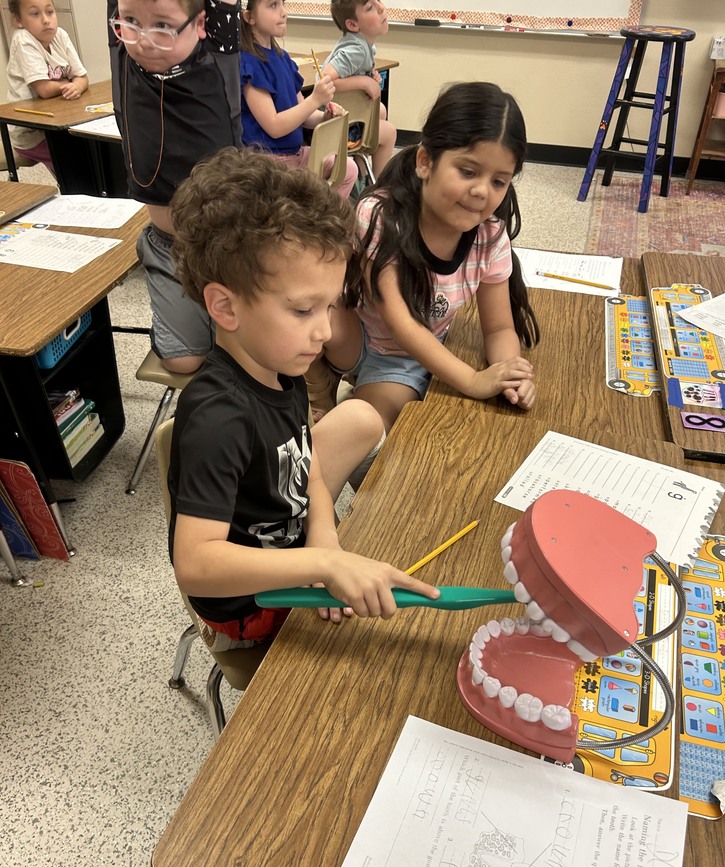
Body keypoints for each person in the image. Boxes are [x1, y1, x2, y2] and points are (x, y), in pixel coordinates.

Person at [167, 147, 439, 649]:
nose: (325, 331)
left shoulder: (279, 364)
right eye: (302, 310)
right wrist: (322, 563)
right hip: (252, 606)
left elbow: (305, 463)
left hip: (295, 551)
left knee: (359, 419)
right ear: (225, 306)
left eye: (330, 306)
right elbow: (196, 566)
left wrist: (325, 539)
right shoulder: (219, 417)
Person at [305, 81, 539, 432]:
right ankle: (315, 386)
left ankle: (344, 397)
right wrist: (474, 381)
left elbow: (500, 327)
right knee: (300, 308)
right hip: (352, 335)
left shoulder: (489, 235)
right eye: (468, 171)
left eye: (499, 181)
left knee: (369, 433)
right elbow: (402, 323)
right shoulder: (379, 215)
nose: (481, 191)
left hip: (404, 359)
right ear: (426, 161)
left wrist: (508, 373)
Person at [107, 0, 241, 374]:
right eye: (131, 22)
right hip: (169, 247)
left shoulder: (216, 55)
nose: (144, 40)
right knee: (184, 360)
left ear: (200, 23)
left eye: (163, 27)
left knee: (246, 353)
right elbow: (131, 20)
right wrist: (136, 22)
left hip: (228, 243)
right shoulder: (124, 54)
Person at [239, 0, 357, 197]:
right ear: (249, 17)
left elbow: (303, 115)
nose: (284, 12)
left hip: (294, 155)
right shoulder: (249, 63)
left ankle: (323, 223)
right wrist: (315, 99)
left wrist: (324, 116)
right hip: (268, 164)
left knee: (348, 169)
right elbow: (274, 127)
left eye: (283, 4)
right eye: (273, 5)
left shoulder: (283, 58)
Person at [6, 0, 88, 173]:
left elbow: (81, 77)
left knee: (91, 145)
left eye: (49, 12)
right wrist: (69, 84)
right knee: (71, 157)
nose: (46, 20)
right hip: (31, 133)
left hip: (60, 121)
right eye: (35, 14)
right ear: (18, 21)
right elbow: (43, 89)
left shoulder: (61, 35)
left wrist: (78, 87)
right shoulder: (23, 40)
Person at [322, 0, 396, 178]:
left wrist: (368, 79)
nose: (381, 8)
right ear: (353, 24)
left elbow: (347, 77)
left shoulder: (363, 45)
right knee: (389, 131)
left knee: (380, 111)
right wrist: (363, 82)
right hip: (334, 124)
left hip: (346, 119)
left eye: (377, 1)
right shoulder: (356, 49)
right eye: (370, 7)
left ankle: (361, 174)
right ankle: (380, 189)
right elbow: (325, 80)